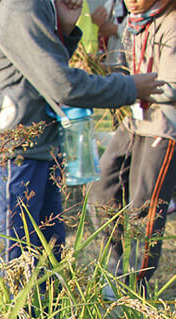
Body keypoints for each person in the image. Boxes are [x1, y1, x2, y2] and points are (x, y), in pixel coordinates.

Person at [0, 0, 162, 269]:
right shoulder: (21, 6)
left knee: (48, 257)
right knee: (10, 262)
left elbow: (37, 70)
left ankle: (41, 311)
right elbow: (62, 84)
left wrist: (66, 30)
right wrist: (129, 87)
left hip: (37, 146)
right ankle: (1, 314)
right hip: (15, 151)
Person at [91, 0, 176, 297]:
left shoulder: (171, 22)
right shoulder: (133, 23)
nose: (132, 0)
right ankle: (111, 269)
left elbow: (172, 84)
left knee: (145, 209)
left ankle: (135, 288)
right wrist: (102, 71)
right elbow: (123, 65)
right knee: (103, 186)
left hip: (163, 127)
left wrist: (129, 84)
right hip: (131, 122)